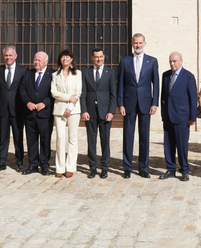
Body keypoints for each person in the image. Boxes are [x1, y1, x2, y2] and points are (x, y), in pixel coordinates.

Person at [117, 33, 159, 179]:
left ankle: (143, 167)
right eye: (136, 43)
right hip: (128, 103)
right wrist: (120, 103)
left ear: (145, 44)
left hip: (146, 104)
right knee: (128, 136)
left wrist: (155, 103)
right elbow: (120, 84)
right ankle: (127, 167)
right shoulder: (125, 61)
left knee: (144, 136)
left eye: (140, 43)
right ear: (132, 44)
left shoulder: (152, 61)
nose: (138, 45)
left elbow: (156, 84)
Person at [159, 52, 197, 182]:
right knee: (168, 145)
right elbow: (163, 96)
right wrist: (163, 114)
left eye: (174, 61)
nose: (172, 64)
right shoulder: (165, 75)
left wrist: (192, 117)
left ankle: (184, 170)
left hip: (182, 117)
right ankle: (170, 169)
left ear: (181, 61)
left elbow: (193, 98)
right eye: (170, 61)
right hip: (168, 116)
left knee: (182, 145)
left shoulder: (188, 76)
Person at [80, 48, 116, 179]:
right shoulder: (86, 72)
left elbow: (113, 94)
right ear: (92, 58)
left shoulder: (110, 72)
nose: (98, 59)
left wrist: (112, 111)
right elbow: (83, 93)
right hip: (90, 112)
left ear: (104, 57)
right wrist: (84, 110)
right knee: (91, 140)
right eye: (96, 57)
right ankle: (93, 167)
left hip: (105, 112)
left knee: (105, 141)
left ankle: (105, 168)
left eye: (101, 57)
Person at [0, 45, 27, 172]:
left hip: (18, 110)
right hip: (3, 110)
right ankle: (1, 162)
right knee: (3, 138)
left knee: (18, 138)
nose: (8, 57)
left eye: (10, 55)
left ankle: (19, 163)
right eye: (6, 55)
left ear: (15, 56)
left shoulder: (23, 70)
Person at [19, 51, 54, 176]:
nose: (36, 62)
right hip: (30, 113)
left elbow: (54, 93)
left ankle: (44, 164)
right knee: (31, 140)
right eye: (35, 59)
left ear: (46, 62)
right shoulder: (28, 73)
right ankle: (33, 164)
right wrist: (27, 102)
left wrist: (44, 103)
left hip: (45, 114)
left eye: (39, 60)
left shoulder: (52, 75)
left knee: (45, 140)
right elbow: (22, 89)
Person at [50, 49, 82, 178]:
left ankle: (70, 167)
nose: (65, 59)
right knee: (60, 138)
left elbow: (78, 92)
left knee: (72, 139)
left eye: (67, 57)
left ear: (71, 59)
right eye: (63, 57)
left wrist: (69, 106)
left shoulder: (77, 73)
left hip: (73, 110)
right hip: (59, 110)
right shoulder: (55, 75)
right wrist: (68, 97)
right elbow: (54, 93)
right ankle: (60, 167)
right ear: (60, 59)